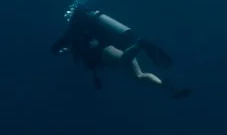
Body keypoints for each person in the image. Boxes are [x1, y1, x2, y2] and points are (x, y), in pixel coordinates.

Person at [55, 6, 190, 95]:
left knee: (122, 60)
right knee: (138, 76)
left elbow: (55, 48)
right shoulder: (82, 32)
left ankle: (140, 45)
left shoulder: (73, 35)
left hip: (105, 50)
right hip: (118, 45)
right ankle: (165, 86)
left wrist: (63, 47)